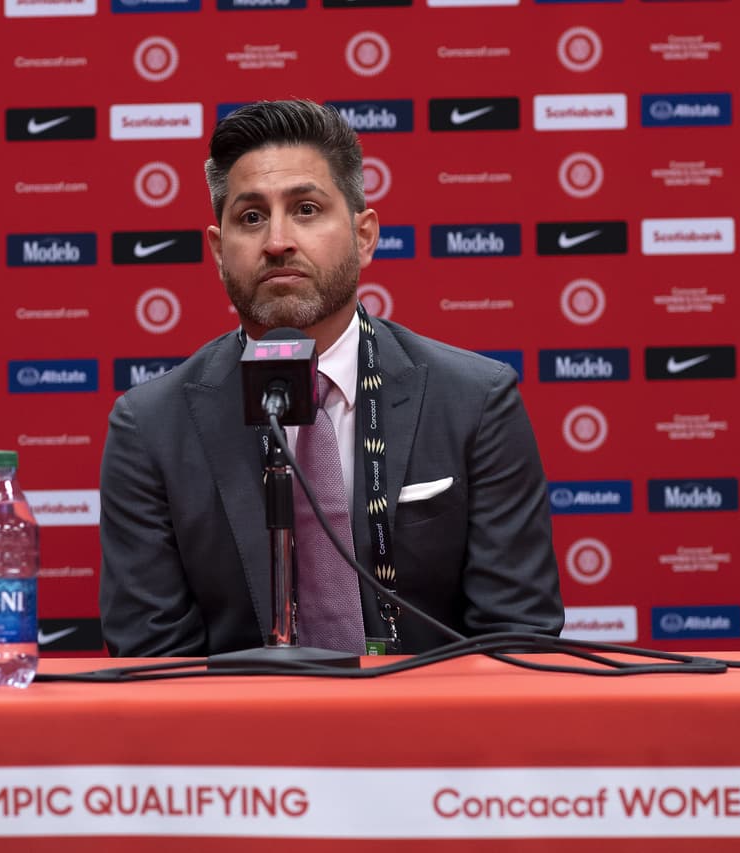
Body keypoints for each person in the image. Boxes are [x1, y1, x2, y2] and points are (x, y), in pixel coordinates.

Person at [99, 99, 563, 657]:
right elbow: (154, 663)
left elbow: (517, 640)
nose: (277, 241)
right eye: (251, 217)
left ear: (364, 236)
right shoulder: (149, 428)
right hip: (232, 738)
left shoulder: (476, 402)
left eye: (307, 209)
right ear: (219, 252)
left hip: (430, 733)